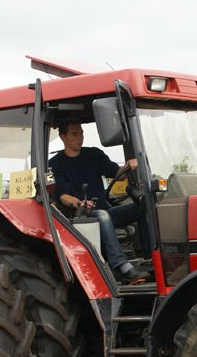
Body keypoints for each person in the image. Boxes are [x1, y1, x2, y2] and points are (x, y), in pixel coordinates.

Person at [49, 122, 152, 285]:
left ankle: (150, 260)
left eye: (81, 133)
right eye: (75, 134)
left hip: (104, 210)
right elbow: (63, 196)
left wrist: (128, 166)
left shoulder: (94, 154)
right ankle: (122, 267)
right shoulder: (56, 163)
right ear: (63, 137)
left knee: (144, 207)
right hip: (81, 215)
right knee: (103, 215)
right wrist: (80, 203)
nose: (80, 137)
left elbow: (119, 175)